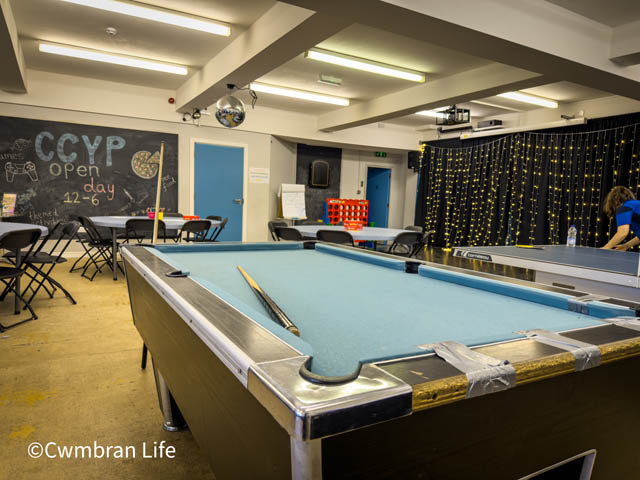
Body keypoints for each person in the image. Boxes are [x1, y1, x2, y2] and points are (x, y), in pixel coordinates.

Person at [601, 186, 640, 250]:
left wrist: (605, 248)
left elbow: (623, 232)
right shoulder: (635, 205)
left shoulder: (625, 207)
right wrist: (626, 246)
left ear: (615, 200)